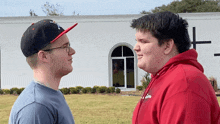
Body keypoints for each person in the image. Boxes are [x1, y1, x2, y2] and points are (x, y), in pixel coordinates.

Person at [131, 11, 220, 124]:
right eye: (137, 41)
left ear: (167, 45)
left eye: (143, 41)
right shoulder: (163, 78)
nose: (136, 48)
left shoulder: (184, 82)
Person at [9, 19, 77, 124]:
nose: (72, 51)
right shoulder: (36, 107)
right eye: (65, 47)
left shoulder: (52, 95)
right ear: (44, 56)